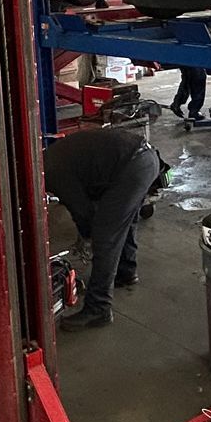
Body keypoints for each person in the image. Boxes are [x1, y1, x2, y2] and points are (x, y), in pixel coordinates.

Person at [44, 127, 164, 331]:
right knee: (125, 220)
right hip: (146, 158)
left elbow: (81, 209)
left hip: (133, 166)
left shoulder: (52, 171)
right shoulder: (54, 156)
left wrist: (89, 235)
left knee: (106, 236)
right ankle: (126, 272)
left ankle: (99, 307)